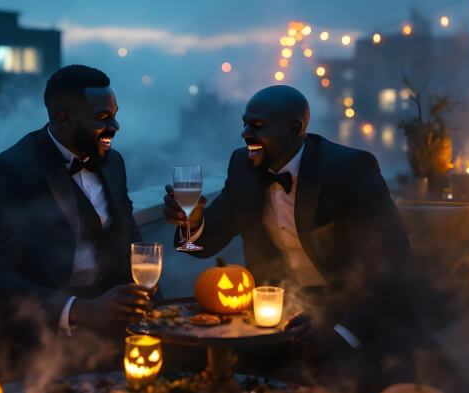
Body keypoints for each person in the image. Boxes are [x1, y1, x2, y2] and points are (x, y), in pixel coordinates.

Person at [164, 85, 436, 390]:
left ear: (296, 129)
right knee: (195, 365)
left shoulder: (349, 170)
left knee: (349, 375)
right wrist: (193, 221)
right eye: (244, 123)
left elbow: (394, 267)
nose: (244, 133)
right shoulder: (243, 166)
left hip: (354, 310)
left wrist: (338, 330)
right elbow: (206, 243)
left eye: (256, 126)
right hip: (280, 313)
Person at [0, 65, 151, 364]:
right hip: (42, 341)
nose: (116, 126)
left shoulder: (112, 162)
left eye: (115, 114)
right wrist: (81, 309)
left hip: (116, 333)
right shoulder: (9, 171)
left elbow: (128, 235)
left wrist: (144, 286)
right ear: (64, 117)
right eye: (103, 118)